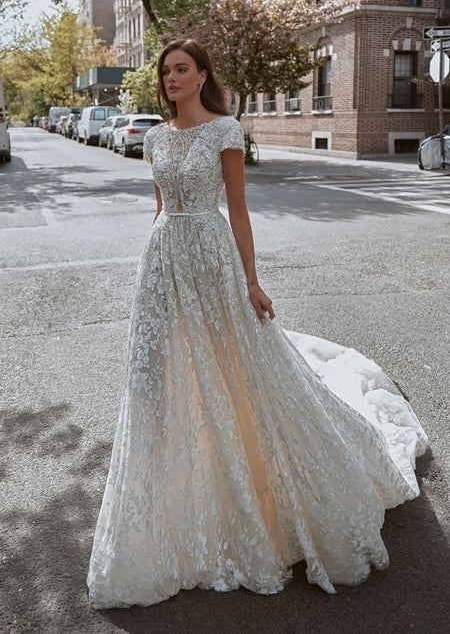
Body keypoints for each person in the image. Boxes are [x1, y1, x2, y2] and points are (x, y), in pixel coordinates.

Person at [87, 39, 428, 609]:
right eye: (166, 71)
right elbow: (159, 208)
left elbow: (239, 211)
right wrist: (152, 268)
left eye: (181, 70)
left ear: (201, 76)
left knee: (236, 366)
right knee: (157, 377)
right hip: (164, 261)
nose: (171, 79)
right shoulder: (153, 137)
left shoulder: (226, 130)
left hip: (214, 255)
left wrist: (251, 280)